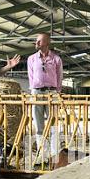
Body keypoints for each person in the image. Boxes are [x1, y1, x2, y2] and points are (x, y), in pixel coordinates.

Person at [27, 32, 63, 160]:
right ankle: (43, 154)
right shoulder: (31, 59)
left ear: (47, 43)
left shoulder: (56, 59)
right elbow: (30, 77)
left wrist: (57, 92)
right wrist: (33, 91)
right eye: (36, 41)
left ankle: (54, 154)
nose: (36, 43)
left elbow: (59, 76)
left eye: (39, 41)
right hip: (36, 92)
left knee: (53, 123)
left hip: (51, 92)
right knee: (38, 123)